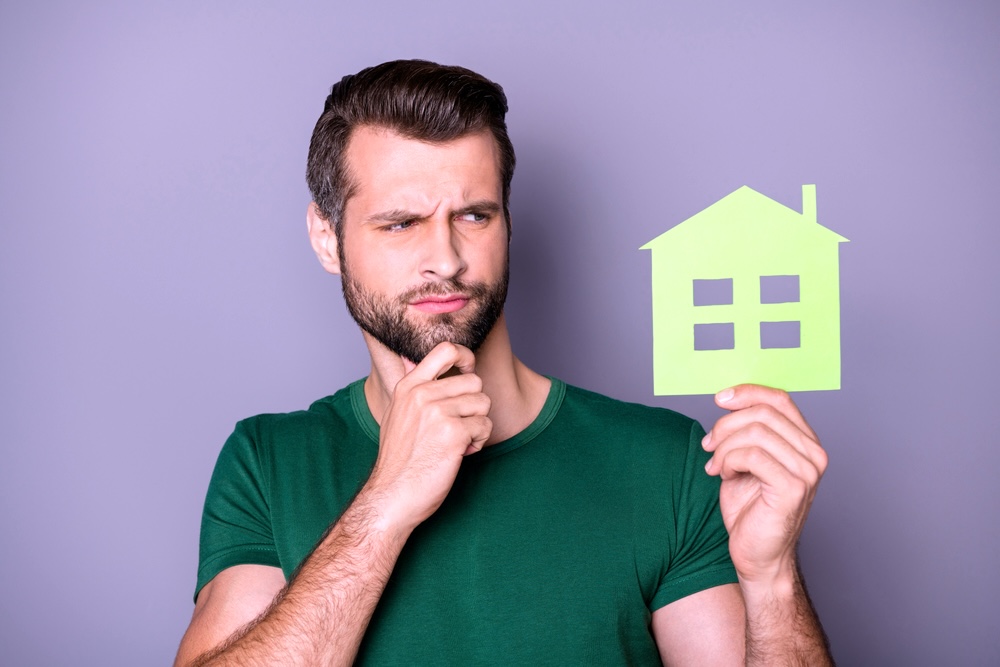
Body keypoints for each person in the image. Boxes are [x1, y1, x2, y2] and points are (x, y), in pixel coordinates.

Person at [175, 60, 832, 666]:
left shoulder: (668, 463)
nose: (448, 257)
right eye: (401, 223)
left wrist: (770, 579)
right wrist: (384, 504)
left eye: (474, 215)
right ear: (327, 237)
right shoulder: (268, 460)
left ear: (507, 222)